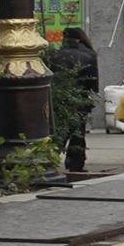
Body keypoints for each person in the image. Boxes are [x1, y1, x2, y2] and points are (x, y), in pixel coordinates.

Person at [49, 27, 98, 172]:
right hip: (80, 98)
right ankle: (75, 163)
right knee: (78, 133)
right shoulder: (89, 55)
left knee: (60, 131)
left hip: (60, 98)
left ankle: (50, 159)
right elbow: (93, 82)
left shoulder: (55, 55)